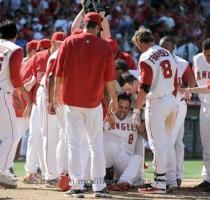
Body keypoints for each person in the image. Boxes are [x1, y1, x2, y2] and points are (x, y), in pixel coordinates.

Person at [53, 12, 118, 198]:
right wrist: (113, 98)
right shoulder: (104, 46)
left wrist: (56, 93)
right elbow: (110, 79)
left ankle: (77, 186)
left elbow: (58, 72)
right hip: (94, 102)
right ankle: (98, 186)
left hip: (72, 101)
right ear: (99, 27)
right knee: (95, 145)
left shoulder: (69, 41)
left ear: (84, 24)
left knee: (74, 144)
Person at [131, 27, 178, 193]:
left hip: (157, 103)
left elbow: (144, 86)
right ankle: (170, 180)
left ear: (139, 42)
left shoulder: (146, 55)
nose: (138, 49)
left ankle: (159, 183)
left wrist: (136, 109)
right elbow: (175, 80)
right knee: (166, 142)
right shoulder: (167, 53)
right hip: (171, 100)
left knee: (157, 144)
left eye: (137, 45)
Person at [159, 36, 196, 189]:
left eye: (167, 45)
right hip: (163, 104)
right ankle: (176, 176)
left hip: (178, 104)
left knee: (172, 141)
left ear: (173, 47)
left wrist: (189, 90)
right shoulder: (156, 61)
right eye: (161, 45)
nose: (164, 48)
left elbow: (191, 80)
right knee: (176, 142)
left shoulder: (181, 63)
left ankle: (172, 177)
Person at [0, 19, 31, 188]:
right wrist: (26, 97)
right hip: (2, 94)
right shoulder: (15, 49)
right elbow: (15, 78)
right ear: (16, 34)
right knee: (11, 136)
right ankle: (2, 172)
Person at [181, 39, 210, 192]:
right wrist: (189, 89)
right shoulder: (197, 59)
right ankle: (207, 178)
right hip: (205, 106)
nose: (208, 58)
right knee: (206, 144)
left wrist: (189, 90)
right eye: (206, 54)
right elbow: (193, 78)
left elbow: (208, 87)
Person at [104, 93, 144, 191]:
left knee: (138, 158)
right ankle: (107, 177)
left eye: (126, 108)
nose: (123, 110)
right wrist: (107, 118)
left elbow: (144, 132)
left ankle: (123, 182)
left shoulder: (133, 117)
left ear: (130, 107)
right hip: (110, 159)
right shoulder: (110, 116)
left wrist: (138, 124)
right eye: (121, 107)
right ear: (116, 105)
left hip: (125, 161)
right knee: (111, 145)